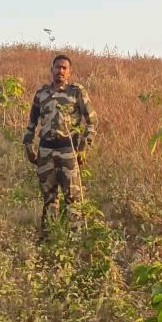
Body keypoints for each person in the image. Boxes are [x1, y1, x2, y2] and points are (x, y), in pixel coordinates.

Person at [23, 54, 97, 230]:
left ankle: (75, 238)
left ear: (69, 72)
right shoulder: (41, 94)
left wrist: (83, 147)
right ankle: (49, 237)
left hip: (67, 151)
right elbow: (32, 123)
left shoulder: (76, 92)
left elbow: (92, 122)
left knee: (73, 199)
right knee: (49, 198)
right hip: (46, 151)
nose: (61, 71)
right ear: (52, 70)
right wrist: (28, 145)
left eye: (64, 68)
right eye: (57, 67)